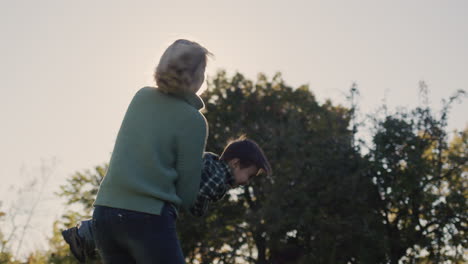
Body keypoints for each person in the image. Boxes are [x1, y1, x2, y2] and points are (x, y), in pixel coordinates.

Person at [91, 39, 211, 264]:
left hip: (104, 215)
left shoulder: (142, 96)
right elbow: (186, 196)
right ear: (197, 75)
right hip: (148, 218)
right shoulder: (195, 121)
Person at [62, 137, 272, 263]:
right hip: (157, 204)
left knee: (119, 223)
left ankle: (83, 232)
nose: (246, 182)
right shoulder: (218, 177)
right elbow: (195, 197)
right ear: (235, 163)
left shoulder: (210, 161)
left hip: (144, 189)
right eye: (250, 175)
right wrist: (201, 206)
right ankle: (85, 233)